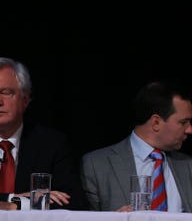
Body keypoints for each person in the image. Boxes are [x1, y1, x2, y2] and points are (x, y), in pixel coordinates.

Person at [0, 57, 88, 210]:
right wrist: (12, 199)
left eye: (5, 92)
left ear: (25, 100)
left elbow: (72, 201)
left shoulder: (51, 143)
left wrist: (14, 206)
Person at [81, 81, 192, 212]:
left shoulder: (188, 165)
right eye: (183, 122)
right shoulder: (97, 165)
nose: (189, 130)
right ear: (156, 122)